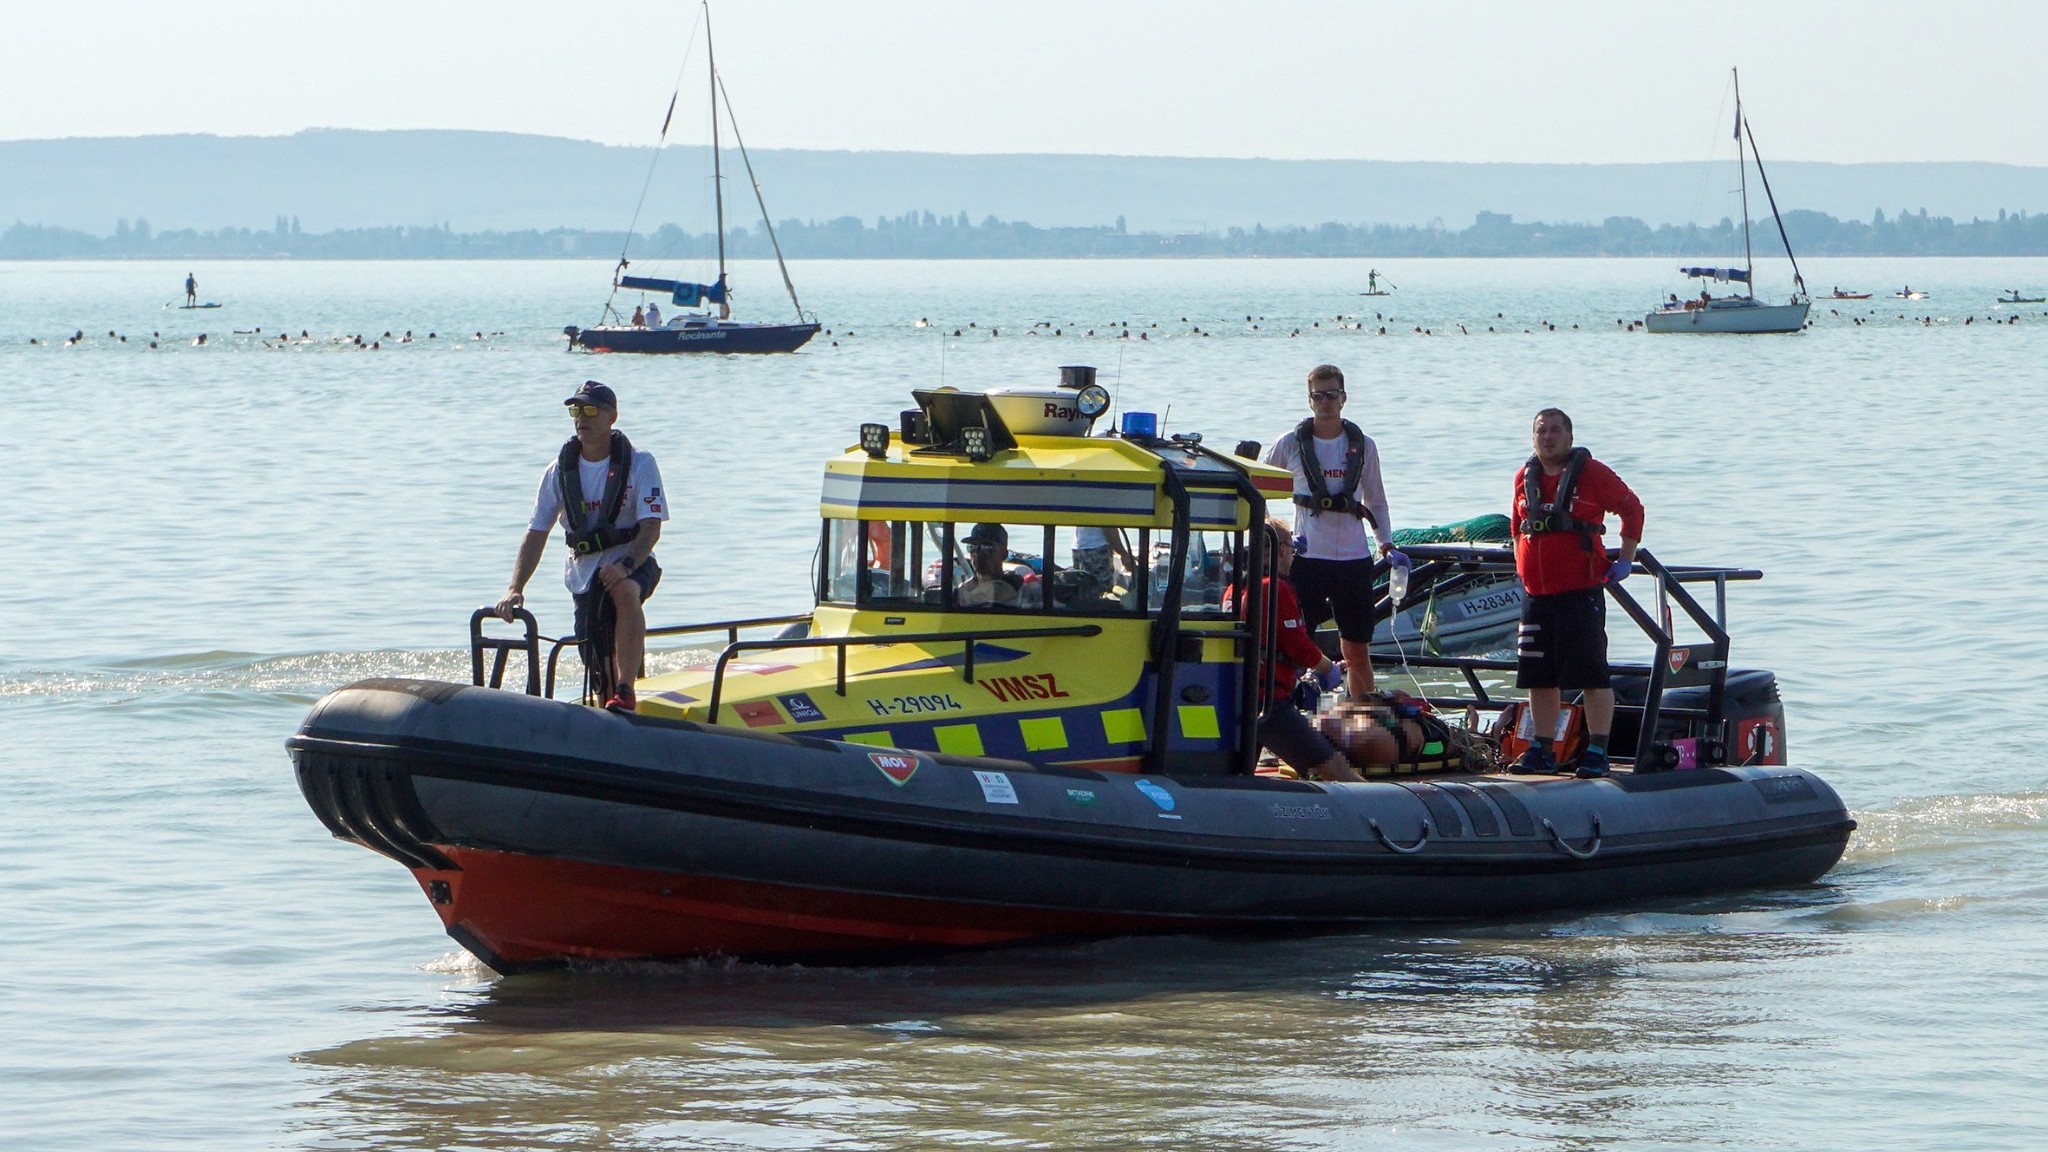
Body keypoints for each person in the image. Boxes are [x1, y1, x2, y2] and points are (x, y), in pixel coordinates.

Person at [494, 381, 667, 713]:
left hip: (635, 559)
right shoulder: (559, 471)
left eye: (590, 410)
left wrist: (626, 566)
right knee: (596, 656)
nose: (581, 418)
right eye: (576, 410)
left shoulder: (640, 463)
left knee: (625, 591)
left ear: (612, 416)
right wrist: (515, 588)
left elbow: (650, 529)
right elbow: (535, 533)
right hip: (584, 572)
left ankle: (626, 690)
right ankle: (608, 702)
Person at [1508, 408, 1644, 778]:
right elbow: (1516, 528)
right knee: (1539, 676)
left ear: (1569, 436)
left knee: (1592, 673)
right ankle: (1541, 747)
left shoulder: (1593, 474)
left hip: (1580, 591)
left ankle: (1597, 749)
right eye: (1541, 431)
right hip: (1536, 594)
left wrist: (1626, 559)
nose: (1547, 437)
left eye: (1554, 431)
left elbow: (1632, 509)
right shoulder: (1525, 477)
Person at [1262, 364, 1406, 698]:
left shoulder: (1364, 445)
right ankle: (1290, 714)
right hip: (1308, 559)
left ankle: (1363, 716)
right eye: (1318, 396)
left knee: (1357, 649)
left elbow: (1377, 500)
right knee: (1294, 645)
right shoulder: (1289, 444)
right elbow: (1259, 489)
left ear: (1343, 398)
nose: (1325, 402)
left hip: (1354, 560)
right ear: (1310, 401)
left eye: (1332, 395)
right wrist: (1275, 537)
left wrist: (1386, 544)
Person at [1226, 520, 1359, 782]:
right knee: (1335, 768)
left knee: (1238, 776)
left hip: (1238, 698)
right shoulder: (1274, 587)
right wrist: (1327, 668)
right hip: (1270, 704)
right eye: (1292, 550)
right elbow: (1297, 646)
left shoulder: (1234, 588)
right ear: (1282, 550)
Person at [955, 523, 1021, 607]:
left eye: (986, 547)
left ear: (1004, 554)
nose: (977, 552)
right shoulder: (968, 586)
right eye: (972, 546)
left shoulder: (1007, 589)